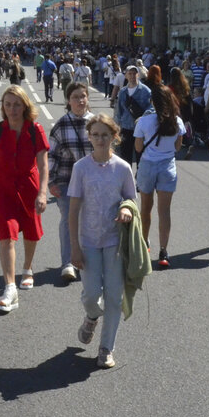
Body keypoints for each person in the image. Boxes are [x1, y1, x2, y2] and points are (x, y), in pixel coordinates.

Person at [69, 113, 136, 369]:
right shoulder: (81, 168)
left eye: (105, 135)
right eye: (95, 135)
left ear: (114, 137)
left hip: (115, 241)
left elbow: (131, 198)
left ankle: (106, 348)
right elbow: (73, 209)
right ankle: (90, 316)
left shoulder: (122, 168)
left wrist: (127, 209)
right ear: (89, 137)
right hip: (88, 241)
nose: (100, 139)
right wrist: (74, 246)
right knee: (91, 295)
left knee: (114, 297)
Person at [0, 85, 50, 313]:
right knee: (7, 236)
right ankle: (10, 287)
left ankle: (27, 268)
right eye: (8, 104)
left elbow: (43, 164)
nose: (12, 109)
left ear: (25, 106)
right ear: (3, 107)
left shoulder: (35, 130)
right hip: (3, 189)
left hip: (29, 187)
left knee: (31, 231)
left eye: (17, 104)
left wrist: (43, 192)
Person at [134, 83, 185, 269]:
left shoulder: (144, 121)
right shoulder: (177, 121)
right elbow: (178, 147)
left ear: (153, 102)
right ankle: (164, 251)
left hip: (148, 166)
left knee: (145, 208)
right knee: (164, 211)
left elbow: (138, 148)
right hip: (168, 166)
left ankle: (144, 243)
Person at [47, 82, 92, 284]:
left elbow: (109, 152)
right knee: (68, 220)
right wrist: (50, 182)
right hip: (67, 181)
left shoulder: (97, 123)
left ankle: (89, 259)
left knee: (91, 220)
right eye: (75, 97)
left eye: (83, 96)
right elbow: (51, 156)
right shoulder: (61, 125)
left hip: (93, 182)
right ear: (68, 100)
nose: (80, 101)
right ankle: (68, 263)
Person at [114, 65, 151, 165]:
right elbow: (118, 112)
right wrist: (117, 128)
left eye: (134, 73)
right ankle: (127, 178)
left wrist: (143, 118)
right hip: (126, 128)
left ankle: (140, 178)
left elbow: (151, 109)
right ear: (125, 75)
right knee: (125, 157)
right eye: (129, 73)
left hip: (141, 129)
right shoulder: (122, 92)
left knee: (141, 157)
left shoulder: (146, 91)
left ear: (138, 75)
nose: (132, 76)